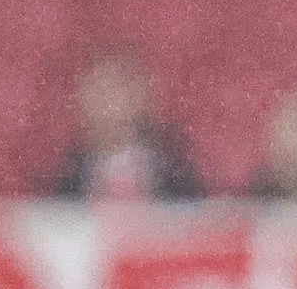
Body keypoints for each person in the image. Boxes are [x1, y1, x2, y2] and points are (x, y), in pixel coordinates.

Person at [51, 50, 204, 199]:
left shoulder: (175, 172)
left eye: (118, 89)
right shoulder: (68, 177)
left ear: (142, 97)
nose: (110, 104)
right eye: (100, 92)